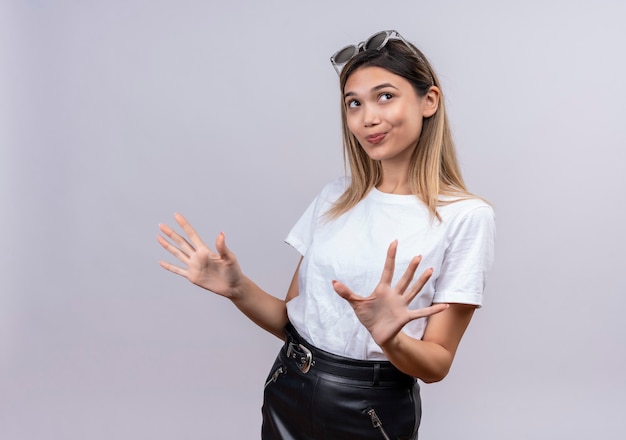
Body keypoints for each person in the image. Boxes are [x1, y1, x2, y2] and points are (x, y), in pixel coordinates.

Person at [157, 29, 495, 440]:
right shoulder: (335, 197)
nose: (367, 117)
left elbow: (438, 363)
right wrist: (237, 288)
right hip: (289, 385)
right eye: (354, 103)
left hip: (372, 410)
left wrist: (390, 339)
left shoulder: (466, 217)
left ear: (429, 101)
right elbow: (291, 320)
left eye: (385, 96)